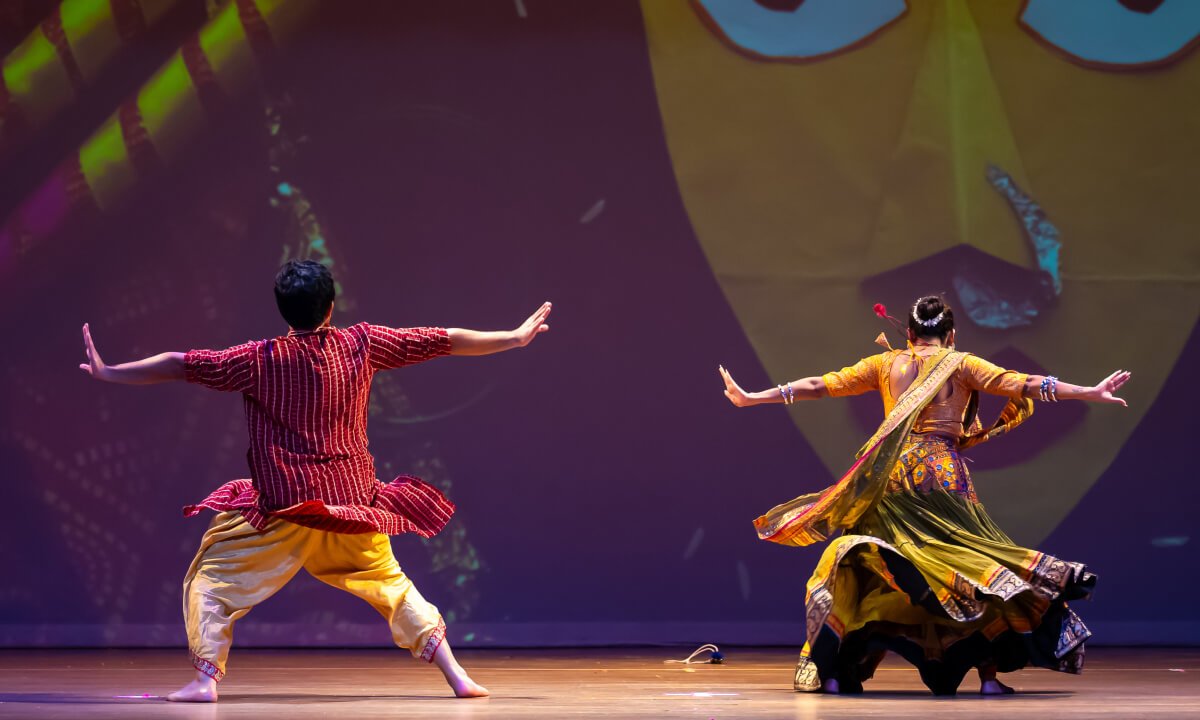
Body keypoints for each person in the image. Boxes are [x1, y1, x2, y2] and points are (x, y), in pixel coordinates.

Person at [78, 259, 552, 702]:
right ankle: (457, 676)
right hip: (349, 505)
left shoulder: (259, 359)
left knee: (209, 580)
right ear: (331, 306)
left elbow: (180, 363)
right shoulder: (362, 344)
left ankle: (205, 681)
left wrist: (109, 372)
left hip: (285, 506)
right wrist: (512, 337)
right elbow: (442, 338)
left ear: (283, 309)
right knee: (394, 586)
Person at [718, 295, 1129, 696]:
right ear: (951, 334)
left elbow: (819, 385)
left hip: (888, 479)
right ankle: (986, 678)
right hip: (942, 480)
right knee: (968, 567)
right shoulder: (963, 363)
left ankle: (836, 671)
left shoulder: (884, 364)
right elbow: (1024, 384)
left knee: (877, 570)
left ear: (910, 333)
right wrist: (1088, 392)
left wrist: (755, 397)